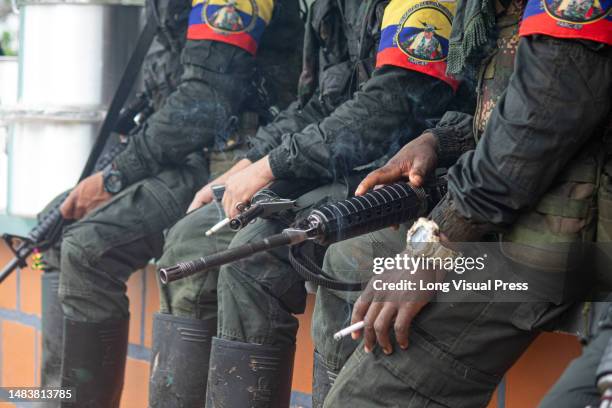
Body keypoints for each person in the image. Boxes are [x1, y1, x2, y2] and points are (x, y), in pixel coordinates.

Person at [157, 0, 470, 405]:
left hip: (401, 180)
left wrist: (272, 165)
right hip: (336, 169)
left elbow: (391, 106)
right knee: (192, 239)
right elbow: (322, 102)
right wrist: (251, 163)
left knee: (254, 262)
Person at [314, 0, 612, 405]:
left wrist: (430, 249)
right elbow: (504, 105)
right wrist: (441, 140)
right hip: (508, 214)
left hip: (553, 242)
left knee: (362, 399)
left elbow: (545, 114)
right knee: (350, 255)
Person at [39, 0, 304, 406]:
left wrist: (114, 177)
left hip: (234, 161)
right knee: (58, 232)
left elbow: (205, 100)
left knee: (88, 249)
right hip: (189, 158)